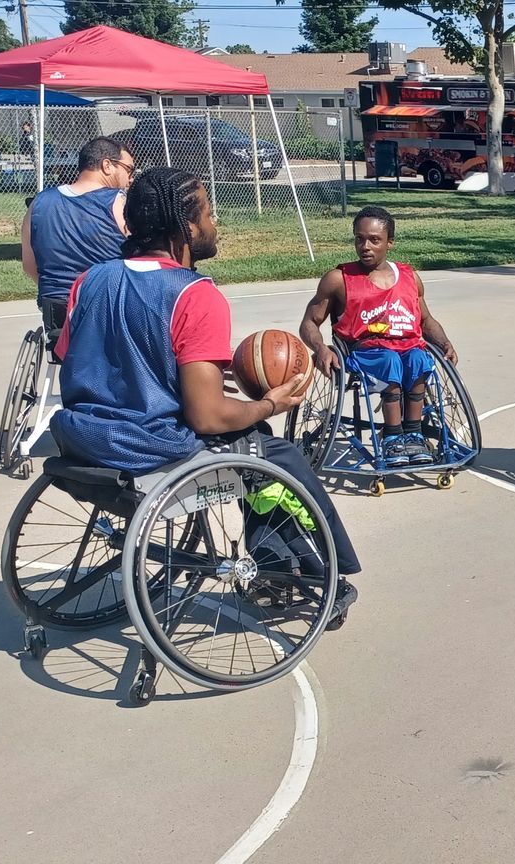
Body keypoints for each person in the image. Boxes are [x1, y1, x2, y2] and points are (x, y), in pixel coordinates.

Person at [51, 167, 361, 624]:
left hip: (84, 440)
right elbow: (208, 419)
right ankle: (315, 574)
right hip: (149, 451)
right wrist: (273, 402)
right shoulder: (195, 295)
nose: (216, 224)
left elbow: (91, 361)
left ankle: (279, 565)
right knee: (277, 454)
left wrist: (182, 376)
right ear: (185, 228)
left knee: (250, 431)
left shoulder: (89, 280)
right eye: (209, 214)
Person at [300, 205, 459, 467]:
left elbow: (426, 320)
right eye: (360, 239)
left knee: (419, 359)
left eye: (374, 240)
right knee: (389, 360)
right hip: (365, 351)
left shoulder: (410, 277)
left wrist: (443, 342)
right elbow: (309, 322)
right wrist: (321, 348)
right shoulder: (338, 279)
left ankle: (414, 432)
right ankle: (393, 437)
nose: (365, 246)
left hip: (407, 346)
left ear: (389, 243)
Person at [23, 137, 133, 338]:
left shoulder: (38, 203)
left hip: (56, 312)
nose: (130, 178)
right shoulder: (120, 202)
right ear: (107, 165)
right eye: (128, 169)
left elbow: (29, 266)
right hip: (107, 311)